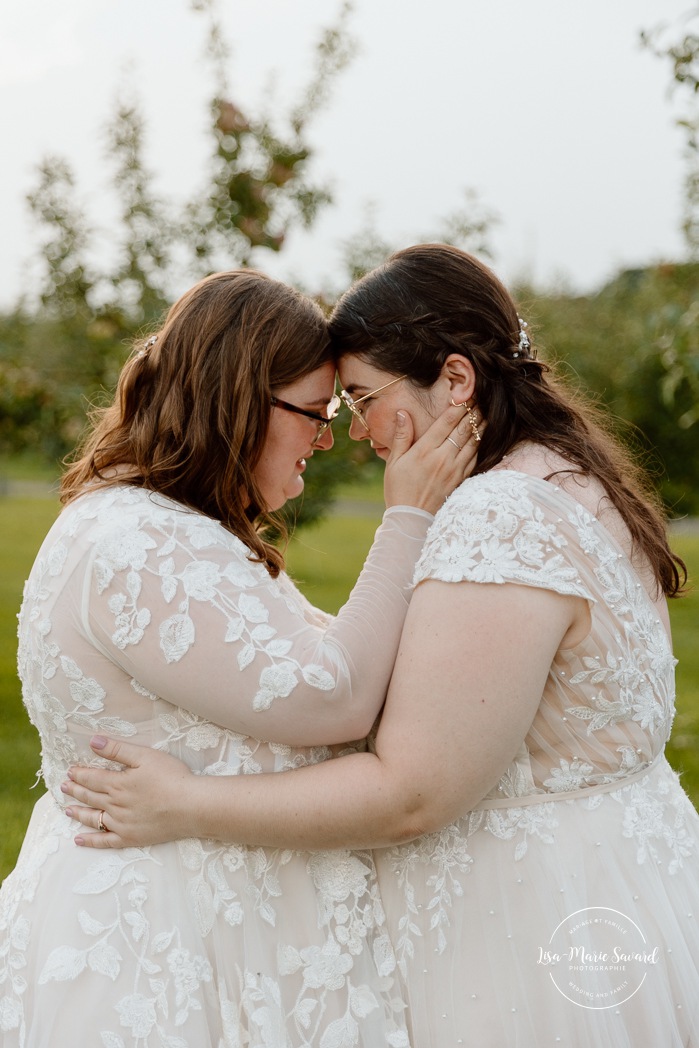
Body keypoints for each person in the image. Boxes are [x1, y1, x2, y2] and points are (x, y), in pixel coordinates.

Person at [63, 244, 699, 1047]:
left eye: (361, 398)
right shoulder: (568, 478)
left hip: (527, 927)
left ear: (457, 381)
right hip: (622, 880)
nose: (355, 432)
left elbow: (411, 793)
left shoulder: (497, 515)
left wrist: (186, 805)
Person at [0, 267, 480, 1047]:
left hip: (210, 924)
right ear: (238, 400)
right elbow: (334, 696)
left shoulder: (168, 529)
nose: (327, 440)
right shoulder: (140, 545)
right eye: (314, 414)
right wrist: (408, 517)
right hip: (166, 949)